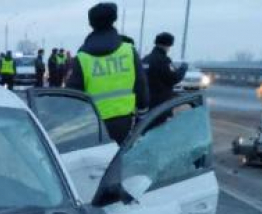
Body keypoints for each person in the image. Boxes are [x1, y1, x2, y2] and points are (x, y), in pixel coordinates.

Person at [67, 2, 149, 144]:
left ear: (91, 23)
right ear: (114, 19)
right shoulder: (128, 50)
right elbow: (141, 84)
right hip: (124, 120)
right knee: (120, 160)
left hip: (92, 122)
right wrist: (142, 111)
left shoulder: (82, 57)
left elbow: (72, 94)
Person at [143, 32, 188, 108]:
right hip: (160, 103)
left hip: (145, 100)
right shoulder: (164, 60)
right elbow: (173, 78)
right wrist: (183, 69)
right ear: (167, 45)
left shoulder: (145, 59)